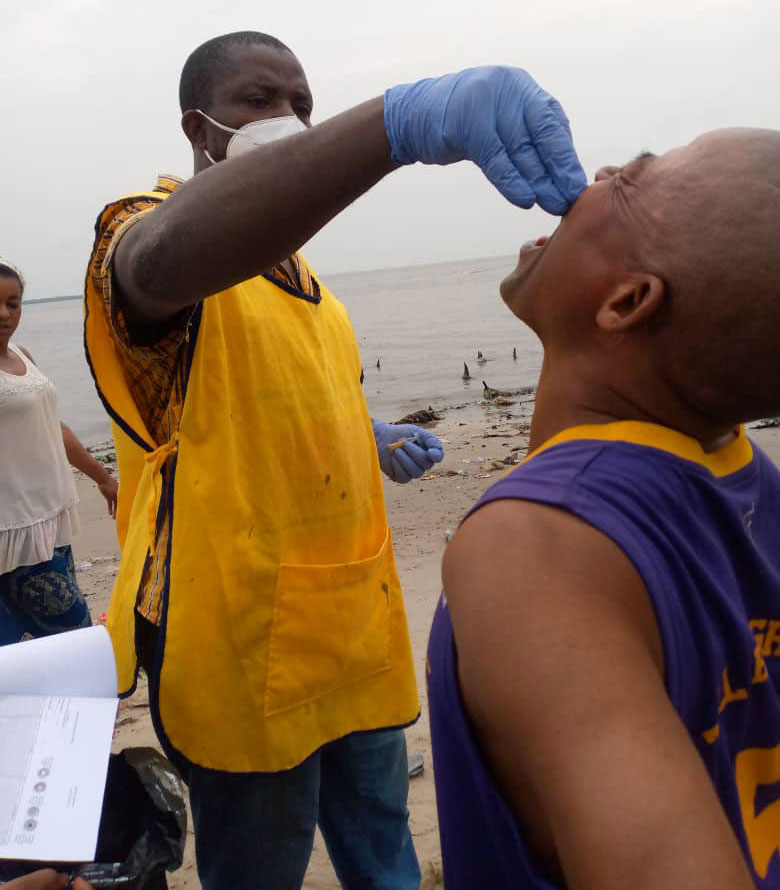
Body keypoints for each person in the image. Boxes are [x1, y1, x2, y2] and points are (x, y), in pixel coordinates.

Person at [83, 30, 585, 890]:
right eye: (260, 100)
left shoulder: (319, 294)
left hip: (353, 621)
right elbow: (161, 263)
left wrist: (370, 432)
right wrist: (392, 127)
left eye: (304, 102)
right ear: (199, 129)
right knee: (261, 865)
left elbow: (289, 402)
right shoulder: (147, 229)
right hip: (233, 634)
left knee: (383, 848)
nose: (290, 117)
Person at [427, 128, 780, 888]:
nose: (597, 175)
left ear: (625, 302)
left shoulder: (536, 547)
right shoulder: (747, 474)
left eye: (628, 180)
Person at [0, 259, 117, 646]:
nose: (5, 314)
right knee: (70, 641)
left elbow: (54, 426)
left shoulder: (23, 356)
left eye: (13, 304)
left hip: (46, 519)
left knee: (43, 646)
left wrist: (102, 477)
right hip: (9, 529)